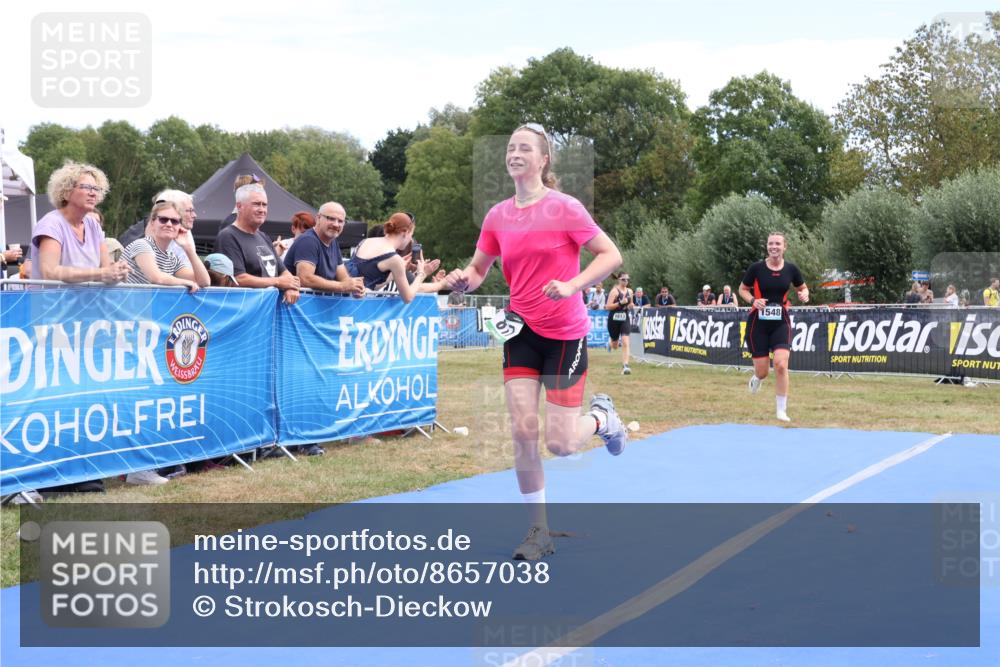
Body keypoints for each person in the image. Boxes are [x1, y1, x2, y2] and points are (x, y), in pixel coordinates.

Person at [444, 123, 628, 562]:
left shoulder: (565, 208)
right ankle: (538, 532)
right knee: (523, 431)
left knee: (561, 444)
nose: (514, 153)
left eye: (524, 148)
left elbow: (611, 255)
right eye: (510, 147)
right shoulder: (497, 216)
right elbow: (479, 269)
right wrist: (463, 281)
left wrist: (573, 285)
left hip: (565, 334)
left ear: (543, 160)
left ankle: (602, 419)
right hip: (521, 331)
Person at [739, 232, 809, 423]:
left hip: (781, 323)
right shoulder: (756, 268)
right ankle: (757, 378)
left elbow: (802, 287)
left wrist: (804, 294)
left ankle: (781, 410)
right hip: (757, 324)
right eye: (771, 244)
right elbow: (742, 289)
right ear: (767, 246)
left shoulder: (791, 269)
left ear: (784, 247)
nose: (774, 247)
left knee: (780, 364)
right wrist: (753, 300)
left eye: (778, 244)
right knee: (763, 371)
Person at [30, 161, 129, 285]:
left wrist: (118, 271)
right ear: (66, 192)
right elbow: (50, 272)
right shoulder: (51, 224)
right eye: (86, 187)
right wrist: (102, 273)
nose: (93, 193)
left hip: (88, 298)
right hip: (52, 298)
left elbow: (106, 267)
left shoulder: (93, 225)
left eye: (96, 189)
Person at [214, 183, 300, 304]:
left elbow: (283, 271)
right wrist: (279, 282)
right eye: (256, 204)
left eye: (264, 205)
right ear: (239, 206)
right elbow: (237, 279)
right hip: (245, 309)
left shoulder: (263, 237)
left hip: (268, 309)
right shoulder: (228, 236)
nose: (262, 209)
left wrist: (290, 287)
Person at [122, 201, 210, 292]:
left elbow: (204, 282)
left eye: (174, 221)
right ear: (152, 222)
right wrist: (186, 282)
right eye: (163, 219)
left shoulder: (171, 258)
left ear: (180, 226)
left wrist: (188, 248)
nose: (169, 224)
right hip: (126, 300)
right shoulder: (141, 244)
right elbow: (156, 278)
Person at [346, 212, 431, 304]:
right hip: (357, 305)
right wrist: (421, 274)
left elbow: (368, 282)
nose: (411, 239)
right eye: (411, 235)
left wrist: (396, 271)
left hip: (342, 297)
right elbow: (408, 298)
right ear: (406, 232)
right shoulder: (394, 259)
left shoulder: (365, 241)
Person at [283, 202, 365, 298]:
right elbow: (305, 279)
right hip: (299, 304)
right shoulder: (308, 241)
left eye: (340, 221)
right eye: (331, 218)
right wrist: (342, 286)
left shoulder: (333, 242)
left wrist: (355, 287)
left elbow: (343, 278)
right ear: (318, 218)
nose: (336, 224)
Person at [606, 273, 635, 375]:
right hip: (613, 320)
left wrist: (631, 305)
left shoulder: (630, 291)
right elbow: (608, 306)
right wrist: (620, 303)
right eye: (623, 279)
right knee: (615, 345)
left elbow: (631, 303)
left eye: (627, 279)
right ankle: (610, 344)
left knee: (625, 341)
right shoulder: (614, 291)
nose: (626, 281)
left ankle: (625, 366)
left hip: (624, 318)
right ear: (619, 280)